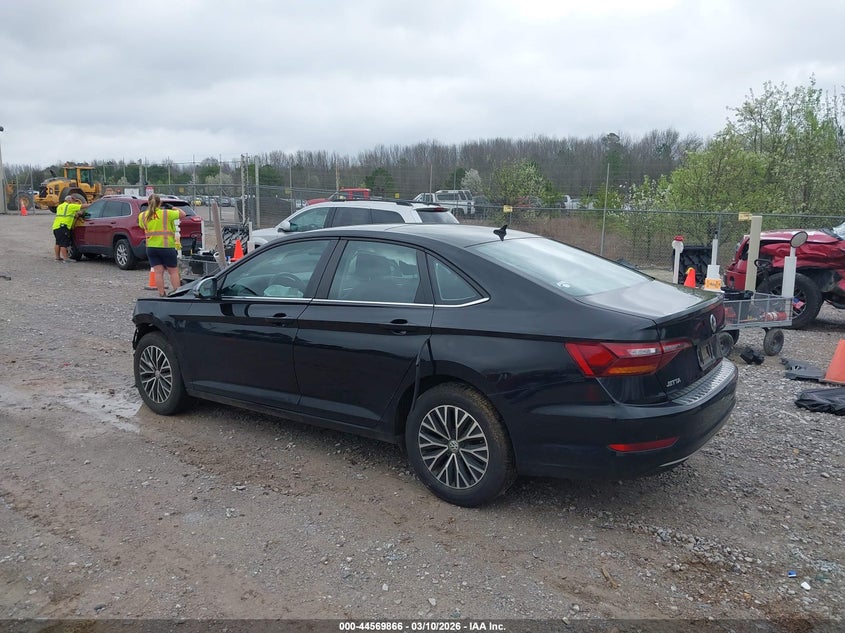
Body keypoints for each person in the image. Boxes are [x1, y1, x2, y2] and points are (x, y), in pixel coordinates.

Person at [138, 193, 187, 296]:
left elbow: (142, 227)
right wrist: (171, 207)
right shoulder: (166, 213)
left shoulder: (142, 216)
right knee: (173, 271)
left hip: (151, 247)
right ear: (160, 203)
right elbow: (183, 214)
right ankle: (177, 293)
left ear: (148, 203)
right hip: (166, 246)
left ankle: (161, 293)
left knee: (158, 272)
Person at [52, 194, 90, 263]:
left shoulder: (60, 206)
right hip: (63, 227)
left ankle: (57, 258)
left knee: (58, 243)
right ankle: (66, 259)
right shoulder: (70, 206)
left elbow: (68, 214)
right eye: (73, 201)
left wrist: (76, 214)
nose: (74, 202)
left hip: (56, 226)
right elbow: (83, 206)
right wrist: (94, 204)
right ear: (69, 200)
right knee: (64, 243)